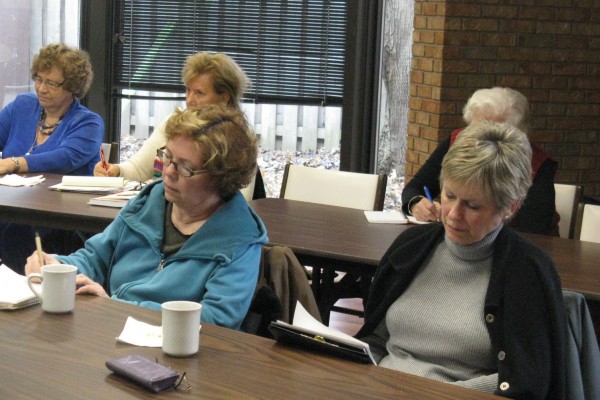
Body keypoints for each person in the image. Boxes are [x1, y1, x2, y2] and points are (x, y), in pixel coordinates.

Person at [357, 121, 566, 398]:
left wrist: (431, 392)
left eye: (473, 205)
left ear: (510, 207)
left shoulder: (528, 272)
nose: (452, 214)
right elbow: (376, 339)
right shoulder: (410, 247)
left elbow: (525, 379)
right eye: (449, 195)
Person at [26, 105, 268, 330]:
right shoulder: (150, 200)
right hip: (111, 331)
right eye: (168, 157)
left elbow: (216, 322)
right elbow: (95, 258)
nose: (168, 172)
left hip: (178, 359)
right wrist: (57, 266)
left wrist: (117, 307)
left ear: (221, 178)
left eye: (185, 167)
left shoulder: (240, 240)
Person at [94, 51, 266, 199]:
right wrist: (116, 170)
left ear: (224, 97)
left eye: (199, 93)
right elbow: (139, 168)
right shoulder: (173, 124)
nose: (190, 100)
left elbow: (241, 200)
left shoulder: (238, 140)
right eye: (188, 90)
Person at [0, 43, 104, 273]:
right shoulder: (22, 106)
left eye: (51, 83)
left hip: (59, 220)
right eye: (38, 79)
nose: (41, 88)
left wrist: (13, 163)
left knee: (15, 230)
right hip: (13, 206)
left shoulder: (88, 123)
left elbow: (64, 158)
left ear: (72, 87)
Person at [401, 87, 558, 236]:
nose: (479, 140)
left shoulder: (537, 163)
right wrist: (415, 203)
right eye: (474, 129)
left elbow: (534, 230)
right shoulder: (458, 142)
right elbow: (415, 187)